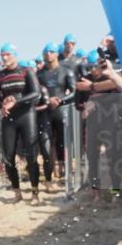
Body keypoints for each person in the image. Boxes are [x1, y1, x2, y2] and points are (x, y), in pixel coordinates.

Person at [0, 43, 43, 204]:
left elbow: (36, 93)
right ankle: (17, 193)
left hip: (27, 115)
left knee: (31, 155)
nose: (4, 58)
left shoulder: (26, 71)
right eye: (2, 55)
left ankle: (35, 193)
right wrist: (1, 103)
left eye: (7, 54)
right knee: (8, 156)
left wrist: (16, 101)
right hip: (9, 118)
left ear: (15, 55)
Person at [78, 49, 122, 199]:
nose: (93, 71)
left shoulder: (111, 80)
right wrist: (85, 105)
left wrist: (94, 101)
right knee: (92, 158)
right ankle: (96, 193)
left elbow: (119, 98)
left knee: (112, 157)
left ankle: (115, 192)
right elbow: (77, 102)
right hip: (92, 124)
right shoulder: (84, 79)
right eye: (89, 67)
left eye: (95, 67)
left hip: (110, 123)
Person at [37, 42, 76, 184]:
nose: (48, 54)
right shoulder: (39, 74)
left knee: (63, 143)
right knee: (46, 145)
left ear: (56, 54)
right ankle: (50, 176)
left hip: (61, 111)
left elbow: (74, 91)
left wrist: (60, 100)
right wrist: (47, 100)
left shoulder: (66, 71)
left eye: (51, 51)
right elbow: (36, 93)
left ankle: (66, 172)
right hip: (45, 113)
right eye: (46, 52)